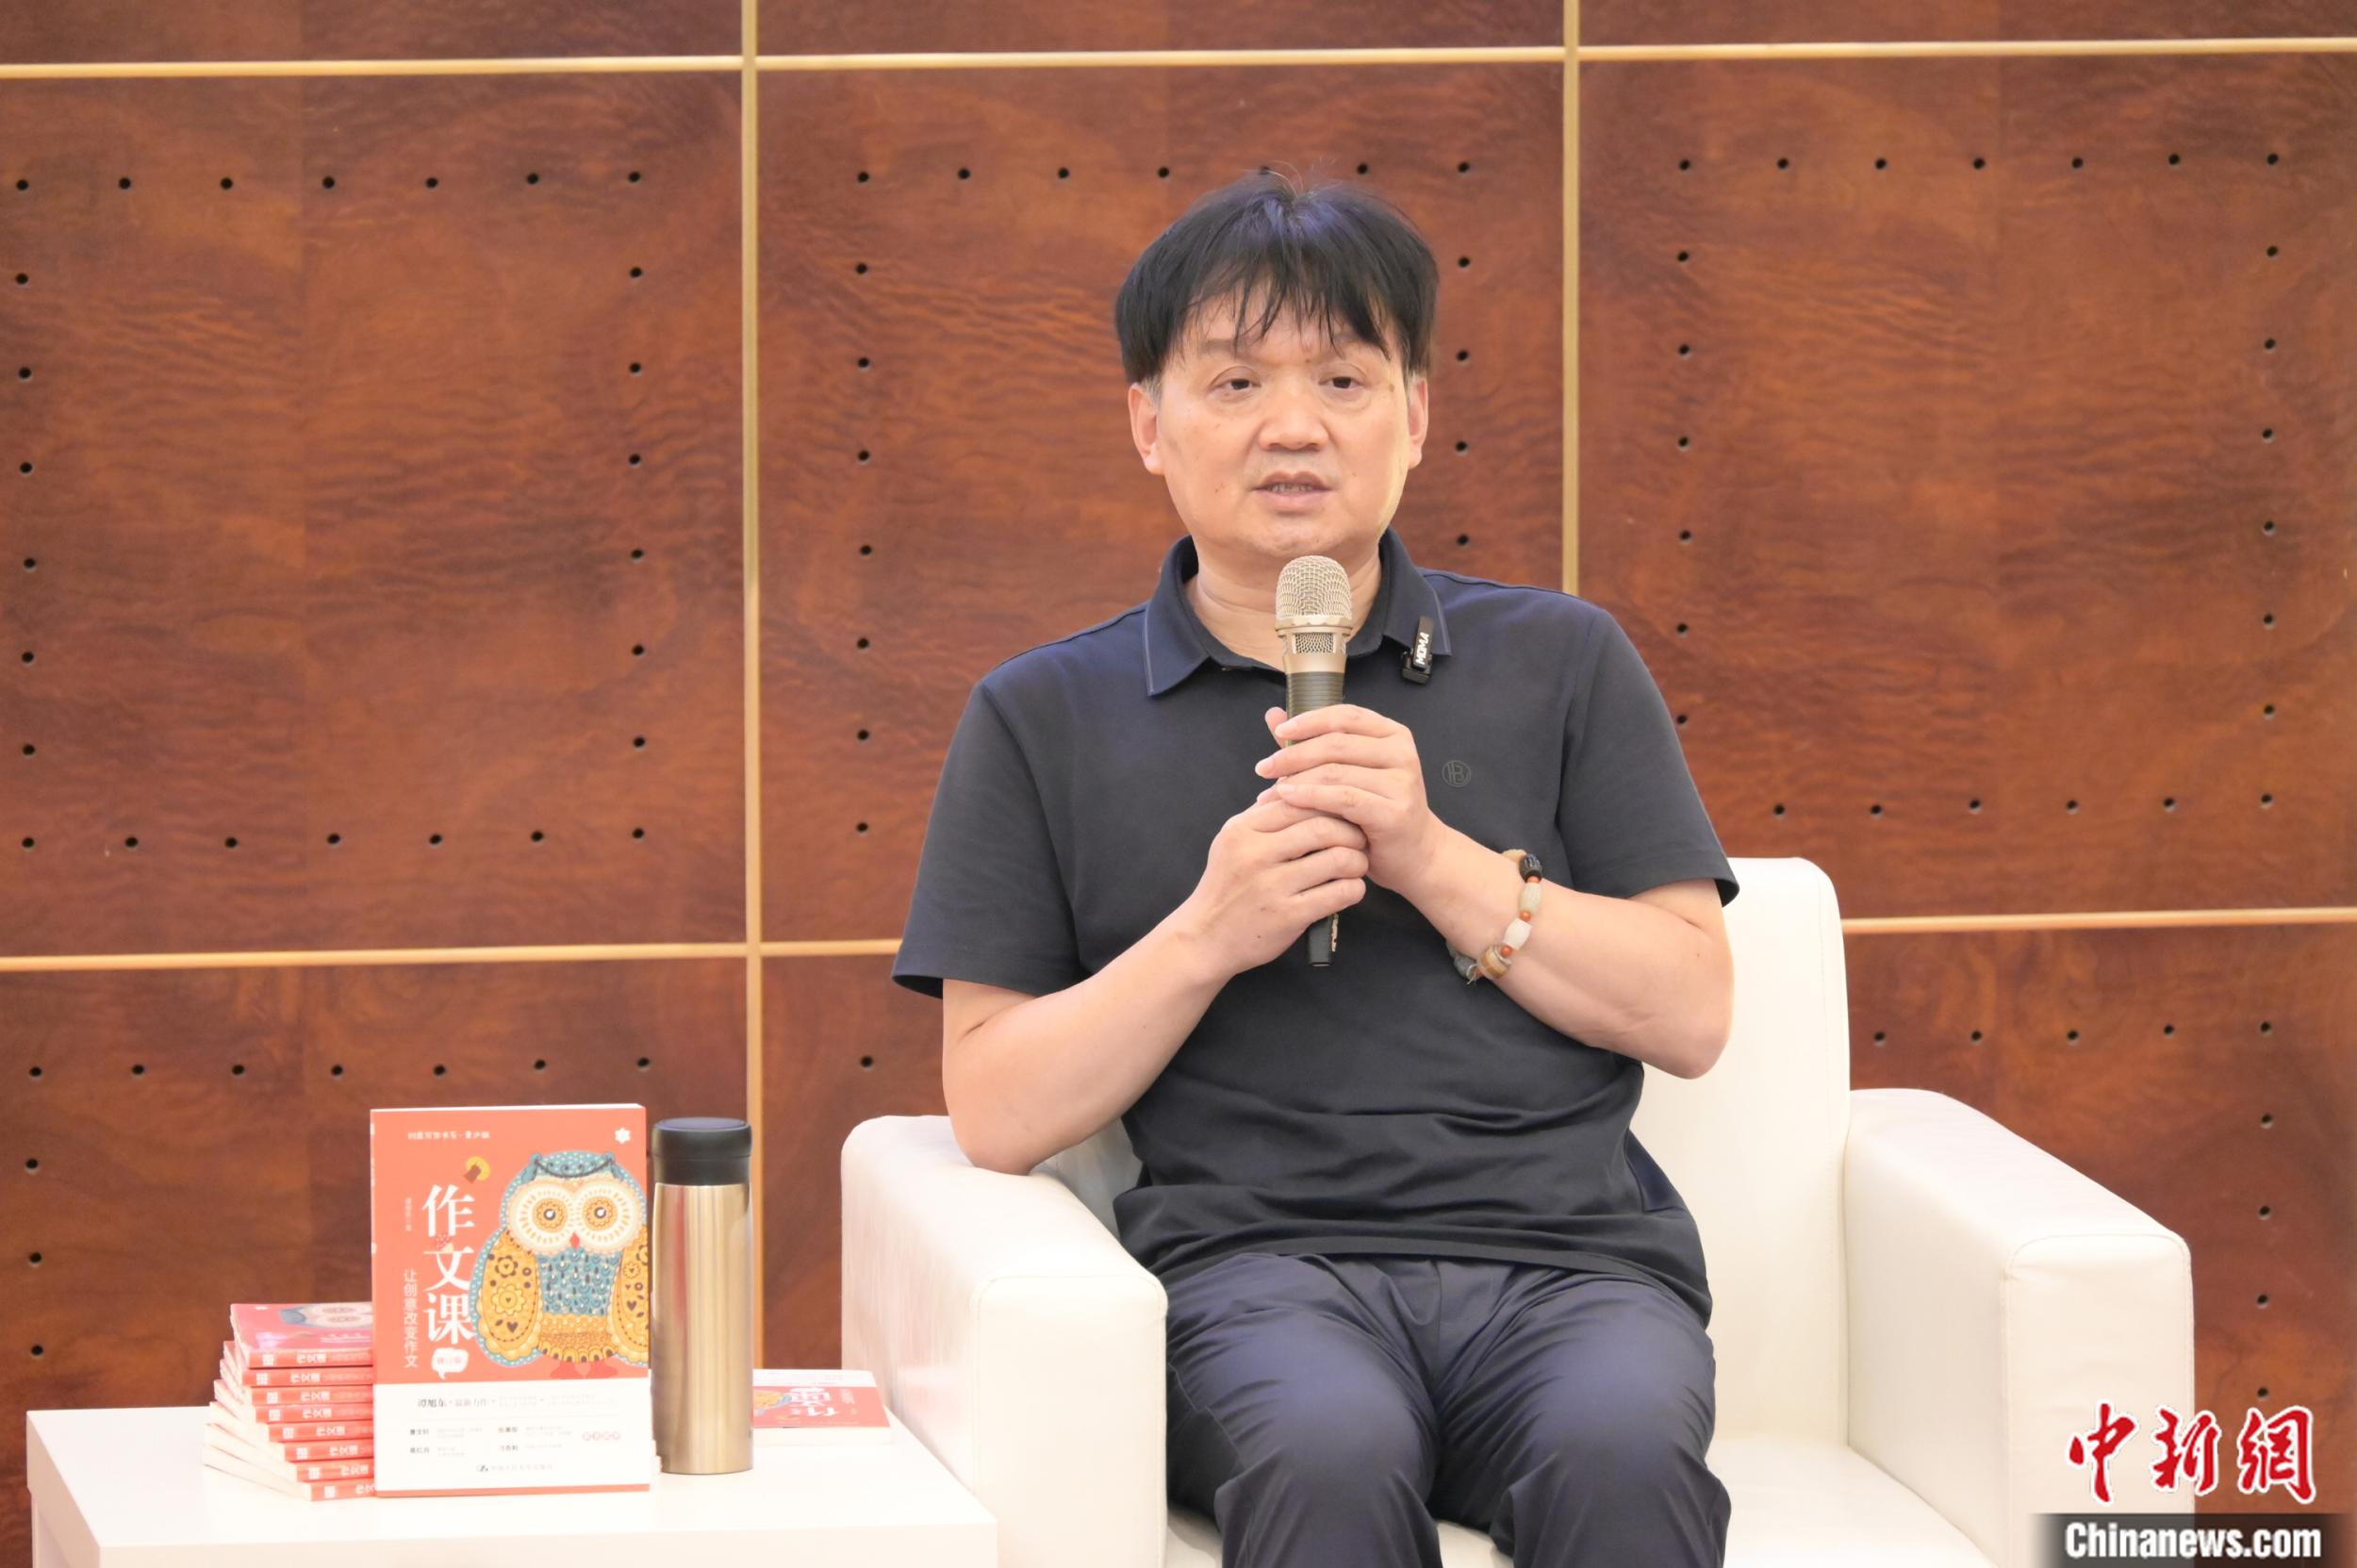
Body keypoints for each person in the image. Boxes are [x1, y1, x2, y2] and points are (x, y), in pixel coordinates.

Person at [891, 168, 1739, 1568]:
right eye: (1234, 384)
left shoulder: (1565, 659)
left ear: (1417, 416)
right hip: (1254, 1279)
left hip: (1571, 1271)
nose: (1293, 427)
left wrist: (1434, 860)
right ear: (1148, 423)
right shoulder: (1041, 715)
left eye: (1344, 380)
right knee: (1330, 1458)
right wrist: (1210, 932)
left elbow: (1694, 1011)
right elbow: (991, 1107)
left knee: (1622, 1458)